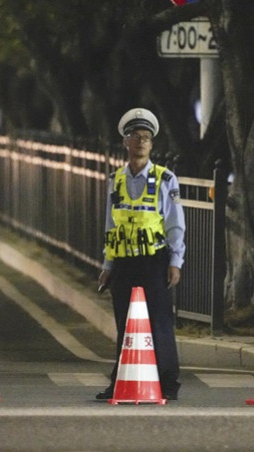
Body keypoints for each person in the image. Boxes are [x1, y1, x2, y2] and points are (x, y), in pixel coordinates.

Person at [96, 107, 186, 401]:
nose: (141, 142)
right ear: (126, 142)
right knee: (124, 324)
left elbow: (175, 224)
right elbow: (111, 224)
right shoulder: (116, 179)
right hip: (123, 262)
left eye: (146, 137)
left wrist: (175, 262)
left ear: (152, 144)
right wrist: (108, 264)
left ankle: (168, 382)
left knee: (159, 322)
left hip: (154, 261)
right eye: (136, 137)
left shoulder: (165, 178)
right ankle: (121, 381)